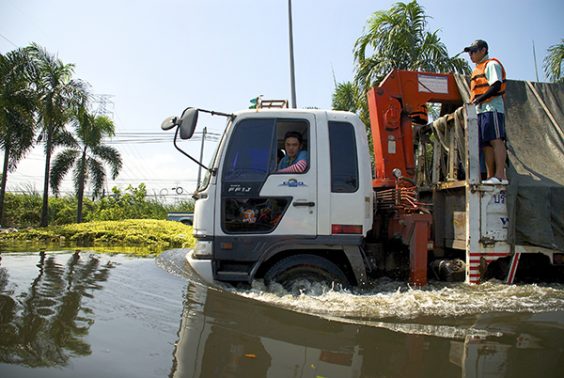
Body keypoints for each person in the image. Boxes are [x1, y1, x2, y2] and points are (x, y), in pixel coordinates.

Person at [464, 39, 508, 185]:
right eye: (469, 52)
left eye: (473, 51)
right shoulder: (477, 69)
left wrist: (479, 99)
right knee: (486, 145)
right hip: (481, 111)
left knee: (496, 140)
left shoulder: (491, 64)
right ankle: (491, 176)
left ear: (483, 50)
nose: (471, 55)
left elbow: (496, 85)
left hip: (492, 108)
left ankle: (500, 175)